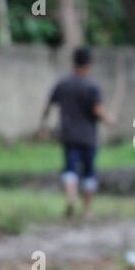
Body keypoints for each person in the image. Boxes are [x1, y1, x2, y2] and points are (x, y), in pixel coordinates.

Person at [38, 46, 114, 219]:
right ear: (89, 64)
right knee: (89, 172)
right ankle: (87, 210)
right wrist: (109, 119)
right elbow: (98, 111)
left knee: (70, 170)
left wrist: (43, 126)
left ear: (74, 62)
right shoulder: (92, 86)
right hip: (88, 137)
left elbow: (47, 106)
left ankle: (71, 198)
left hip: (69, 135)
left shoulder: (63, 84)